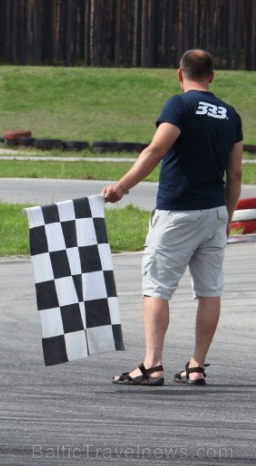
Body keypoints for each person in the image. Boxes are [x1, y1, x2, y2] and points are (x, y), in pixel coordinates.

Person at [102, 49, 243, 386]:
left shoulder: (179, 105)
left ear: (180, 75)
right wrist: (228, 216)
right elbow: (235, 173)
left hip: (178, 211)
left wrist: (122, 187)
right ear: (212, 76)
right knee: (209, 290)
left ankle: (152, 365)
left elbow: (157, 149)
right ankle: (196, 366)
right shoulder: (230, 114)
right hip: (214, 213)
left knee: (157, 288)